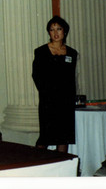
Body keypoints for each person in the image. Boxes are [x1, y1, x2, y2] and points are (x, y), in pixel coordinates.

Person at [32, 15, 78, 153]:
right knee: (45, 137)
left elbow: (71, 77)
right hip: (48, 100)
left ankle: (61, 168)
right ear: (49, 33)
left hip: (66, 101)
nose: (56, 33)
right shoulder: (40, 51)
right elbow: (36, 75)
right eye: (52, 30)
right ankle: (35, 166)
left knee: (64, 137)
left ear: (65, 31)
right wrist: (47, 92)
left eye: (59, 29)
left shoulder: (72, 53)